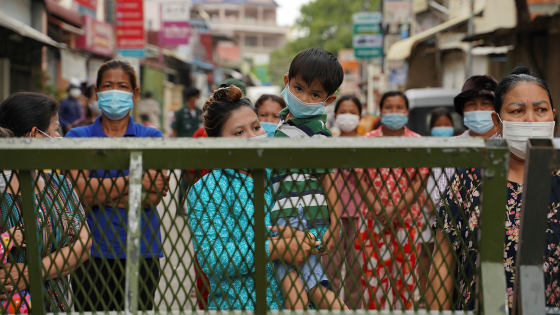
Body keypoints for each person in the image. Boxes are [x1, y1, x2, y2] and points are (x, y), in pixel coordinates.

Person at [426, 64, 559, 311]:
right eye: (517, 111)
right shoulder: (469, 181)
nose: (531, 119)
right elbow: (443, 263)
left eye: (540, 110)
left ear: (553, 116)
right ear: (497, 122)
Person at [187, 84, 320, 310]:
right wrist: (277, 248)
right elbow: (214, 260)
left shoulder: (284, 174)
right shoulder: (208, 188)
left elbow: (319, 220)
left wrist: (308, 239)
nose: (253, 136)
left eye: (256, 127)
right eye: (239, 132)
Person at [65, 60, 169, 312]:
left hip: (142, 250)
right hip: (89, 252)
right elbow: (79, 196)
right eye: (107, 85)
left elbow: (151, 197)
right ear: (97, 93)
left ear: (134, 94)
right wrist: (134, 179)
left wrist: (98, 192)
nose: (114, 91)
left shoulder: (151, 137)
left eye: (122, 86)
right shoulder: (77, 137)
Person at [0, 92, 91, 312]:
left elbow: (83, 244)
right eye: (55, 129)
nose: (59, 136)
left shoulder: (58, 184)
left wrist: (30, 272)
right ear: (34, 134)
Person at [273, 47, 346, 310]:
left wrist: (334, 226)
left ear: (328, 100)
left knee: (305, 287)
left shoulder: (318, 132)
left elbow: (329, 180)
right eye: (298, 88)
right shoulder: (283, 123)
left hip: (298, 216)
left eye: (314, 94)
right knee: (306, 283)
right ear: (286, 83)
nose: (304, 98)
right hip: (290, 214)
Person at [359, 91, 429, 310]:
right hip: (373, 219)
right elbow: (360, 176)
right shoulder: (367, 141)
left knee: (406, 279)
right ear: (380, 112)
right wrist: (378, 207)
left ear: (407, 112)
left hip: (407, 220)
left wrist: (397, 209)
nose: (394, 112)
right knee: (372, 279)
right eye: (389, 108)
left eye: (399, 108)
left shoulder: (417, 142)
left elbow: (421, 179)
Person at [323, 95, 363, 309]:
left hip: (361, 213)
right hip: (333, 213)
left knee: (356, 269)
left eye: (353, 112)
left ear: (360, 116)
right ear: (336, 116)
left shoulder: (368, 144)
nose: (348, 116)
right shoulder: (328, 141)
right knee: (330, 267)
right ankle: (330, 306)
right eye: (343, 112)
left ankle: (353, 308)